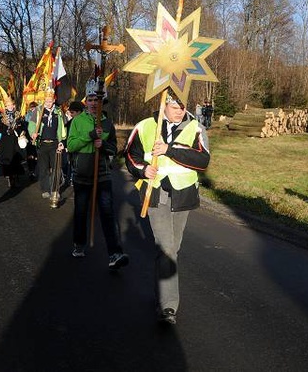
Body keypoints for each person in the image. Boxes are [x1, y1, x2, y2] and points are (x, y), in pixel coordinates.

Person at [124, 94, 211, 325]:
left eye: (183, 106)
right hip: (155, 195)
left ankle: (161, 295)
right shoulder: (145, 126)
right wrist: (143, 171)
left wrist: (169, 150)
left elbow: (203, 161)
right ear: (164, 104)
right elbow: (130, 156)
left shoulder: (196, 128)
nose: (180, 111)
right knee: (167, 249)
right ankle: (168, 307)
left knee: (174, 248)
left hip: (183, 196)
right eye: (175, 106)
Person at [66, 86, 129, 270]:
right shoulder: (77, 121)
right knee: (81, 211)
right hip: (82, 174)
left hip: (103, 174)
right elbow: (71, 146)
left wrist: (102, 146)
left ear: (103, 102)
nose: (94, 103)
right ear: (86, 101)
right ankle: (79, 243)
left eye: (97, 100)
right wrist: (89, 136)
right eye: (91, 99)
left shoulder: (108, 123)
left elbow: (113, 149)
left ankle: (114, 253)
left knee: (108, 213)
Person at [28, 90, 66, 200]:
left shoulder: (58, 112)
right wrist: (32, 133)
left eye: (50, 101)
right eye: (47, 101)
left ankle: (55, 190)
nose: (48, 103)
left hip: (54, 143)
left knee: (56, 168)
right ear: (44, 100)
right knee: (43, 168)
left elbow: (63, 127)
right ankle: (45, 189)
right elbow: (32, 125)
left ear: (54, 100)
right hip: (42, 143)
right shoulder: (38, 111)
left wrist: (62, 141)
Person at [0, 98, 26, 188]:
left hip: (15, 141)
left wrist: (20, 131)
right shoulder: (2, 116)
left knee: (16, 159)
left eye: (11, 105)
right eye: (8, 105)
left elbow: (23, 127)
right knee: (7, 160)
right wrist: (7, 130)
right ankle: (10, 178)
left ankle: (16, 177)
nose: (10, 106)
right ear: (6, 106)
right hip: (6, 141)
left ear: (14, 105)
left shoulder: (18, 115)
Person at [24, 102, 39, 179]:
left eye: (34, 108)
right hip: (30, 139)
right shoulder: (27, 116)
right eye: (31, 108)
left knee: (37, 156)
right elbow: (26, 127)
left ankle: (35, 170)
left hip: (38, 138)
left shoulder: (39, 113)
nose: (33, 110)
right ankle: (31, 171)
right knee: (31, 156)